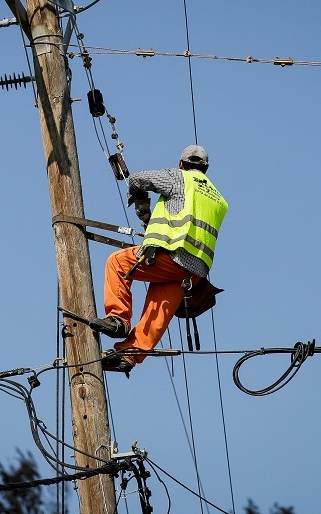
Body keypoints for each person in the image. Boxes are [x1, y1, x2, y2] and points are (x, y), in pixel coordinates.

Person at [90, 144, 228, 375]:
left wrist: (142, 204)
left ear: (181, 164)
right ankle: (129, 356)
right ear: (206, 168)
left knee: (117, 262)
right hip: (193, 273)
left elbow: (138, 179)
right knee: (158, 310)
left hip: (172, 256)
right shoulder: (218, 199)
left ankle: (118, 319)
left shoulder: (179, 177)